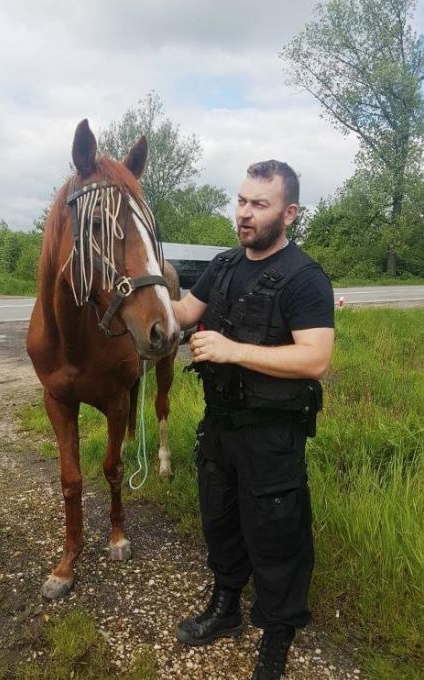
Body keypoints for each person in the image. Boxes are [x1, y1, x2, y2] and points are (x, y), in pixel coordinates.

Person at [170, 160, 335, 680]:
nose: (243, 213)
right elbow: (181, 314)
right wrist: (136, 284)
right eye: (241, 201)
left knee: (275, 533)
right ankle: (226, 608)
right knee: (220, 519)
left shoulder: (304, 278)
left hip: (273, 433)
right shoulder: (221, 266)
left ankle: (278, 636)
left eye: (258, 204)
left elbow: (315, 359)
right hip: (219, 424)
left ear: (289, 213)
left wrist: (231, 349)